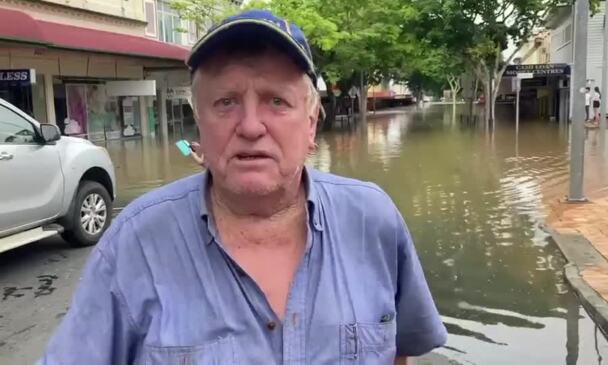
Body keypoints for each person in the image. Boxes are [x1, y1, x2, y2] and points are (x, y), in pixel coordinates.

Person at [39, 9, 447, 364]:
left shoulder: (373, 221)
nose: (251, 127)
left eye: (276, 101)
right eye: (226, 102)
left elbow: (399, 351)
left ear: (310, 123)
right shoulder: (136, 243)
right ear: (200, 122)